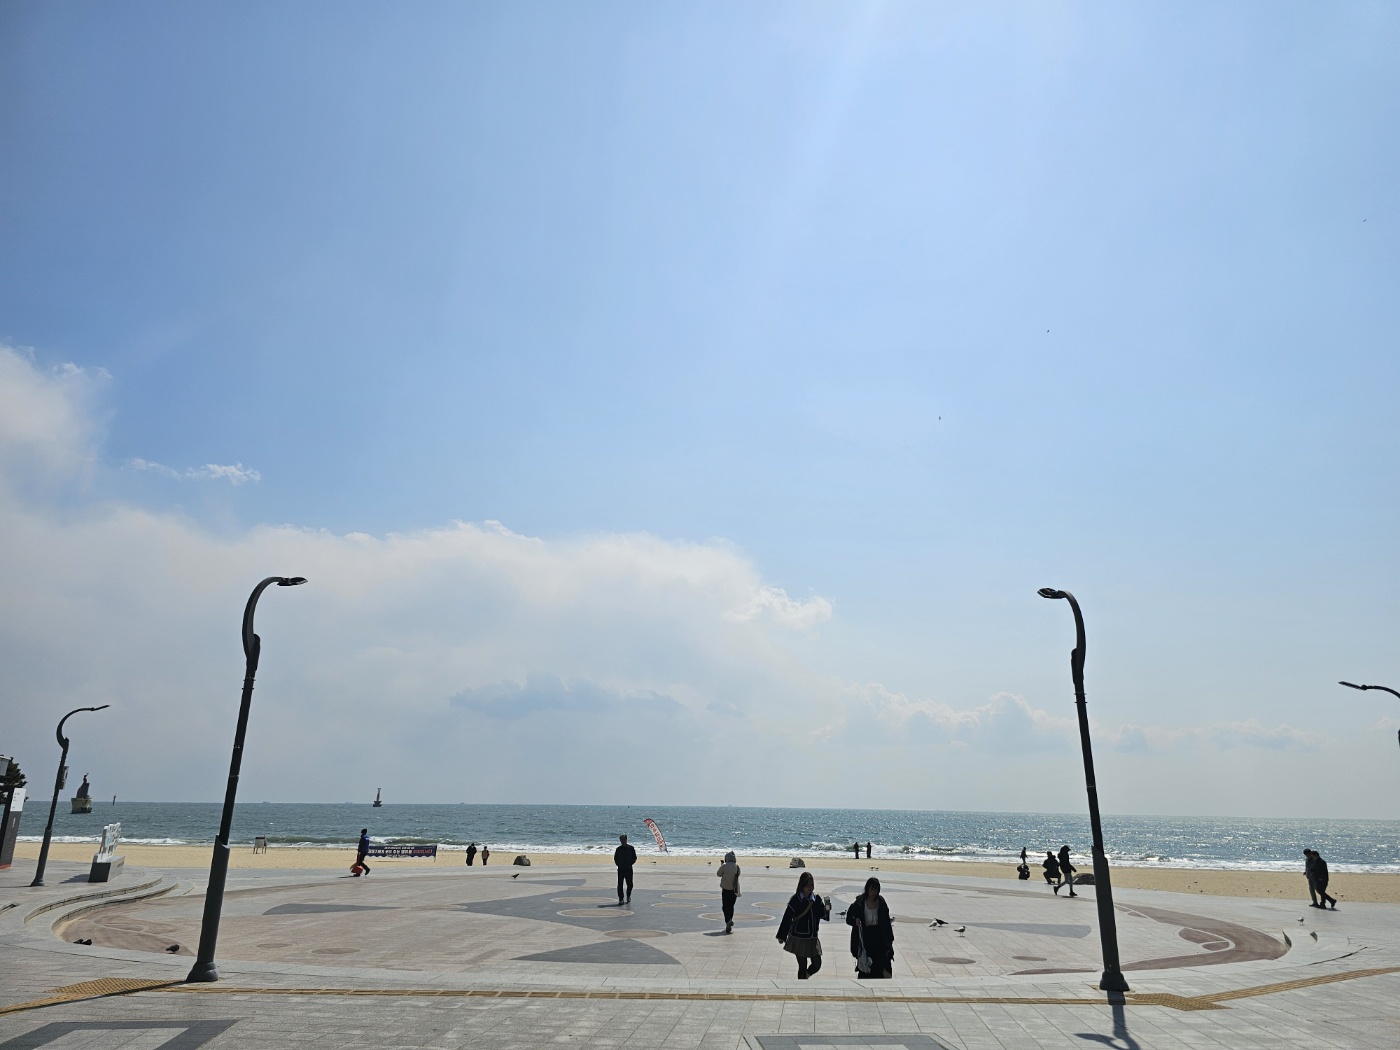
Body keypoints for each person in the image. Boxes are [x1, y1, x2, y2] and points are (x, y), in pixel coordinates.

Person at [776, 871, 831, 979]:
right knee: (802, 965)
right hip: (799, 937)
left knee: (817, 964)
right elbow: (787, 917)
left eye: (811, 885)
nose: (810, 887)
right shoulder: (796, 900)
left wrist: (826, 910)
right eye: (807, 885)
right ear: (802, 885)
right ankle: (801, 986)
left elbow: (822, 915)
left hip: (812, 937)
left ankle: (805, 977)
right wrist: (782, 935)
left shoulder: (816, 899)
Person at [845, 876, 894, 979]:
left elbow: (886, 923)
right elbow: (849, 918)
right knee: (865, 968)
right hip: (865, 938)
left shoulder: (881, 903)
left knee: (880, 968)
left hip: (879, 938)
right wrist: (855, 921)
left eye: (876, 889)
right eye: (872, 889)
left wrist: (889, 942)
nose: (874, 892)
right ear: (867, 889)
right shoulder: (859, 902)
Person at [716, 850, 741, 933]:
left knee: (725, 906)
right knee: (731, 906)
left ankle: (728, 921)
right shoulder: (737, 866)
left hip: (726, 889)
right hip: (734, 889)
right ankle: (729, 921)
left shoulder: (724, 866)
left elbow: (718, 874)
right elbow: (738, 874)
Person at [614, 834, 637, 904]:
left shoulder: (631, 848)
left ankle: (628, 895)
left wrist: (630, 863)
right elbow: (615, 858)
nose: (623, 841)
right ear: (620, 841)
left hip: (628, 869)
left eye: (624, 839)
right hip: (621, 869)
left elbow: (634, 857)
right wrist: (619, 864)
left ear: (626, 840)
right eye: (621, 840)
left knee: (630, 884)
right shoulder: (618, 849)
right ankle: (621, 898)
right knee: (620, 885)